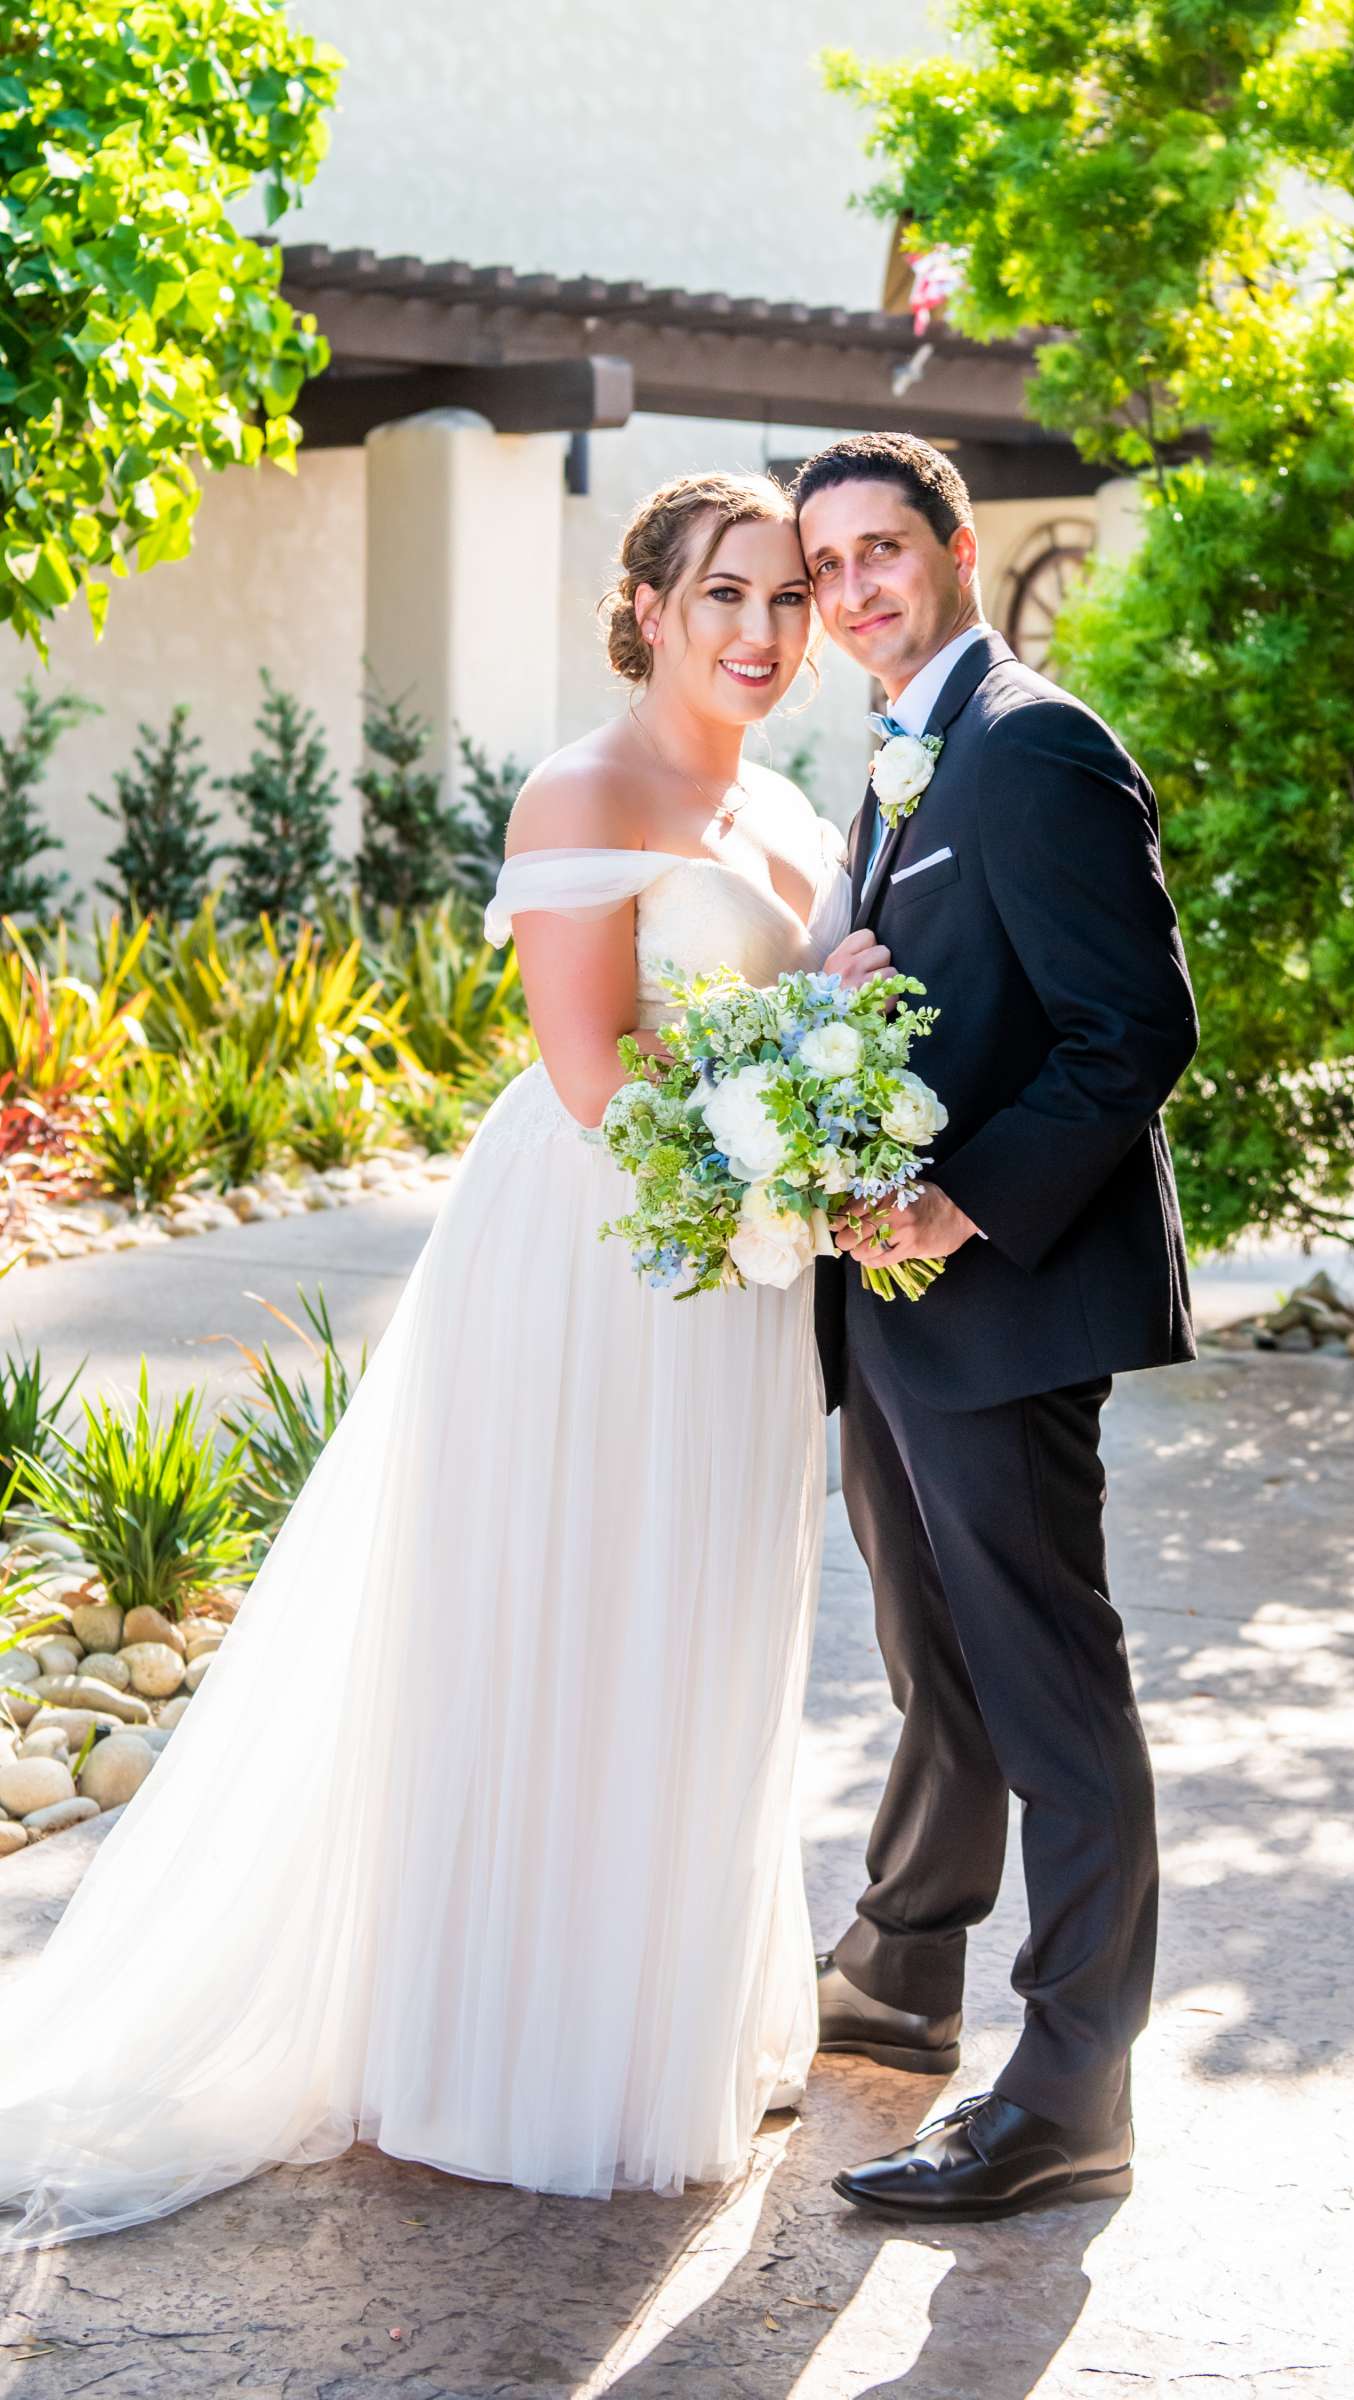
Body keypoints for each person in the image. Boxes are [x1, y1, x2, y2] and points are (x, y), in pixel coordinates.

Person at [0, 469, 882, 2251]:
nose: (760, 632)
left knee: (704, 1615)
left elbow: (794, 1035)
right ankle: (507, 2056)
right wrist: (788, 1165)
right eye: (722, 593)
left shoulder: (790, 802)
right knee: (558, 1610)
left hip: (747, 1271)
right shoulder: (585, 789)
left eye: (788, 600)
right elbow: (590, 1072)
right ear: (642, 604)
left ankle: (666, 2019)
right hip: (594, 1249)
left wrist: (835, 1131)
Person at [796, 431, 1198, 2223]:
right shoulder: (898, 762)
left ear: (955, 547)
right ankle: (904, 1971)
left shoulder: (1033, 743)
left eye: (883, 549)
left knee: (1049, 1692)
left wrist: (957, 1201)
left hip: (1005, 1300)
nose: (855, 589)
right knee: (934, 1668)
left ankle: (1066, 2096)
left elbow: (1135, 1032)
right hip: (889, 1308)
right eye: (825, 570)